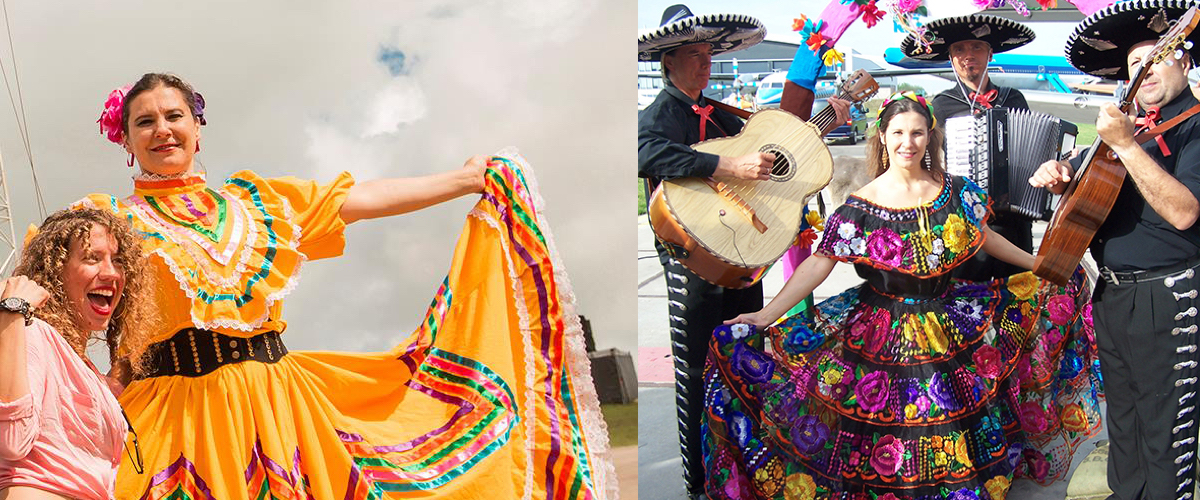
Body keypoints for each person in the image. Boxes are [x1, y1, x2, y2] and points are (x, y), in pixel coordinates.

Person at [81, 72, 614, 499]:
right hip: (175, 410)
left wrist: (466, 181)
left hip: (279, 401)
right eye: (144, 121)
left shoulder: (255, 204)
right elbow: (52, 289)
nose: (162, 130)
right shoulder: (107, 220)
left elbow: (359, 200)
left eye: (174, 116)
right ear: (126, 139)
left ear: (198, 128)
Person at [703, 92, 1101, 499]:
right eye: (898, 132)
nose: (907, 143)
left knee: (946, 424)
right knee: (893, 434)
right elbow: (819, 263)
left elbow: (986, 237)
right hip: (882, 332)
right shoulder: (861, 204)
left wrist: (1035, 264)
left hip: (948, 323)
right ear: (882, 136)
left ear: (931, 137)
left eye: (917, 133)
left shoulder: (956, 190)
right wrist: (765, 315)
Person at [637, 5, 850, 496]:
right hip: (691, 261)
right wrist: (725, 165)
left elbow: (777, 149)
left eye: (708, 52)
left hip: (743, 256)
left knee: (745, 358)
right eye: (693, 54)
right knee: (694, 374)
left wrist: (827, 120)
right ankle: (698, 482)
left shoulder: (724, 111)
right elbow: (645, 151)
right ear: (667, 61)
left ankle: (744, 468)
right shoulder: (658, 115)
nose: (703, 62)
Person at [1030, 1, 1200, 497]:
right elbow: (1093, 192)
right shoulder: (1131, 128)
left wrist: (1126, 146)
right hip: (1112, 295)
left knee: (1166, 430)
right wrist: (1059, 179)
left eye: (1155, 59)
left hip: (1167, 296)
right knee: (1122, 423)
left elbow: (1185, 212)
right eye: (1134, 66)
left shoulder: (1193, 126)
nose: (1143, 73)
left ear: (1184, 61)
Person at [0, 209, 155, 499]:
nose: (110, 272)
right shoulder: (34, 334)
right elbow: (11, 438)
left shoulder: (84, 368)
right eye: (92, 258)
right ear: (56, 271)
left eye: (118, 261)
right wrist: (12, 311)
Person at [901, 13, 1037, 282]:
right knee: (968, 304)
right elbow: (929, 163)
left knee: (1017, 301)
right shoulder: (941, 105)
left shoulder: (1014, 98)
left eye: (976, 47)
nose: (968, 55)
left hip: (1014, 221)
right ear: (951, 58)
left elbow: (1031, 148)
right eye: (959, 49)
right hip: (965, 223)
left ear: (990, 53)